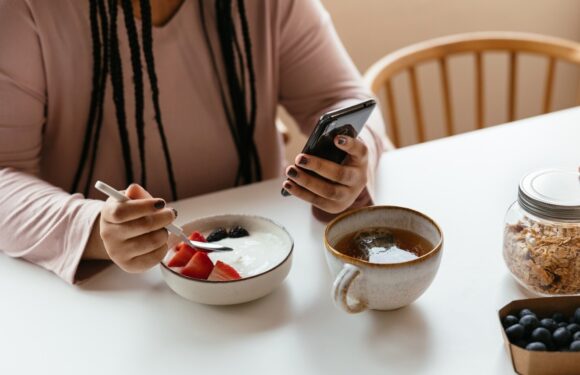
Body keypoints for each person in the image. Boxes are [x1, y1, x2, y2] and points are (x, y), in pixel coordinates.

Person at [0, 0, 388, 283]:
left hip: (264, 277)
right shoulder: (23, 11)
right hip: (109, 295)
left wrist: (349, 168)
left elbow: (345, 99)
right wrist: (93, 227)